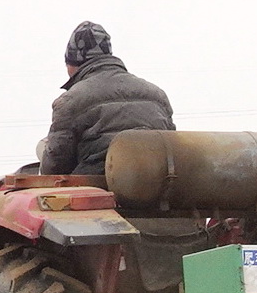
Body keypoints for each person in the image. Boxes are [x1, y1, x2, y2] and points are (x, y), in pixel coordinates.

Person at [38, 22, 174, 181]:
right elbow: (171, 150)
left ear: (73, 64)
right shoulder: (157, 95)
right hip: (155, 192)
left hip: (95, 192)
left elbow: (54, 169)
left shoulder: (70, 101)